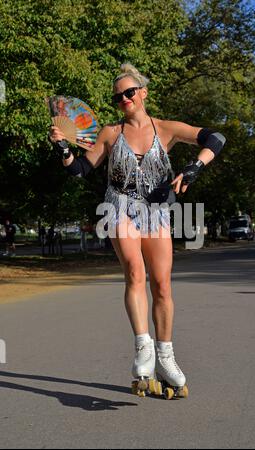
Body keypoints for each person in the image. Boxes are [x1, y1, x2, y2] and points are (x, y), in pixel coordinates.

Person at [49, 63, 226, 399]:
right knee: (135, 272)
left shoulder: (166, 129)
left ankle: (165, 357)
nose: (124, 99)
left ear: (143, 93)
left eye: (130, 92)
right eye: (118, 97)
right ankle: (143, 350)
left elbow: (215, 138)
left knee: (161, 284)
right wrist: (63, 150)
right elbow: (80, 170)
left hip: (157, 211)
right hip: (119, 206)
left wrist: (194, 167)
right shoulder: (110, 134)